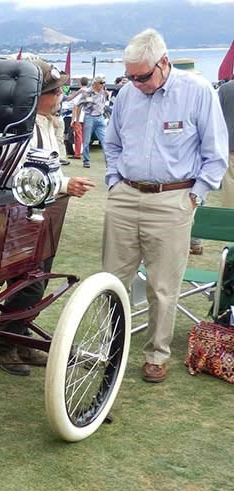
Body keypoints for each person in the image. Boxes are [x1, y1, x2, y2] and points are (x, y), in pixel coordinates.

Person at [103, 28, 228, 383]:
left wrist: (193, 196)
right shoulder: (128, 94)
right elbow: (111, 144)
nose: (135, 83)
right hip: (125, 195)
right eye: (129, 76)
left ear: (164, 62)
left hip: (173, 198)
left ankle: (156, 354)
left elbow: (215, 154)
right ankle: (108, 345)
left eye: (142, 76)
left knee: (162, 286)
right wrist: (113, 183)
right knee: (111, 280)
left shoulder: (198, 91)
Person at [0, 60, 96, 376]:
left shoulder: (44, 123)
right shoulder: (24, 127)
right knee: (29, 285)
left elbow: (47, 167)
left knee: (34, 281)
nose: (60, 96)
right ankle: (5, 345)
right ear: (38, 96)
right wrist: (65, 184)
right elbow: (20, 175)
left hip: (42, 209)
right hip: (25, 212)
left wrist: (62, 183)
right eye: (54, 91)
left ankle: (20, 341)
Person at [210, 79, 234, 208]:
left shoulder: (225, 89)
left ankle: (230, 217)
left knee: (230, 185)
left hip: (229, 145)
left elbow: (215, 116)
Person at [78, 75, 109, 168]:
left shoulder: (104, 91)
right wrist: (77, 119)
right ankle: (86, 160)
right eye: (101, 83)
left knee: (105, 140)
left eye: (103, 83)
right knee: (87, 140)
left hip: (100, 117)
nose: (103, 85)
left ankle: (109, 161)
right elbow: (79, 104)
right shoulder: (87, 92)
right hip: (89, 117)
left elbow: (105, 102)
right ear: (96, 83)